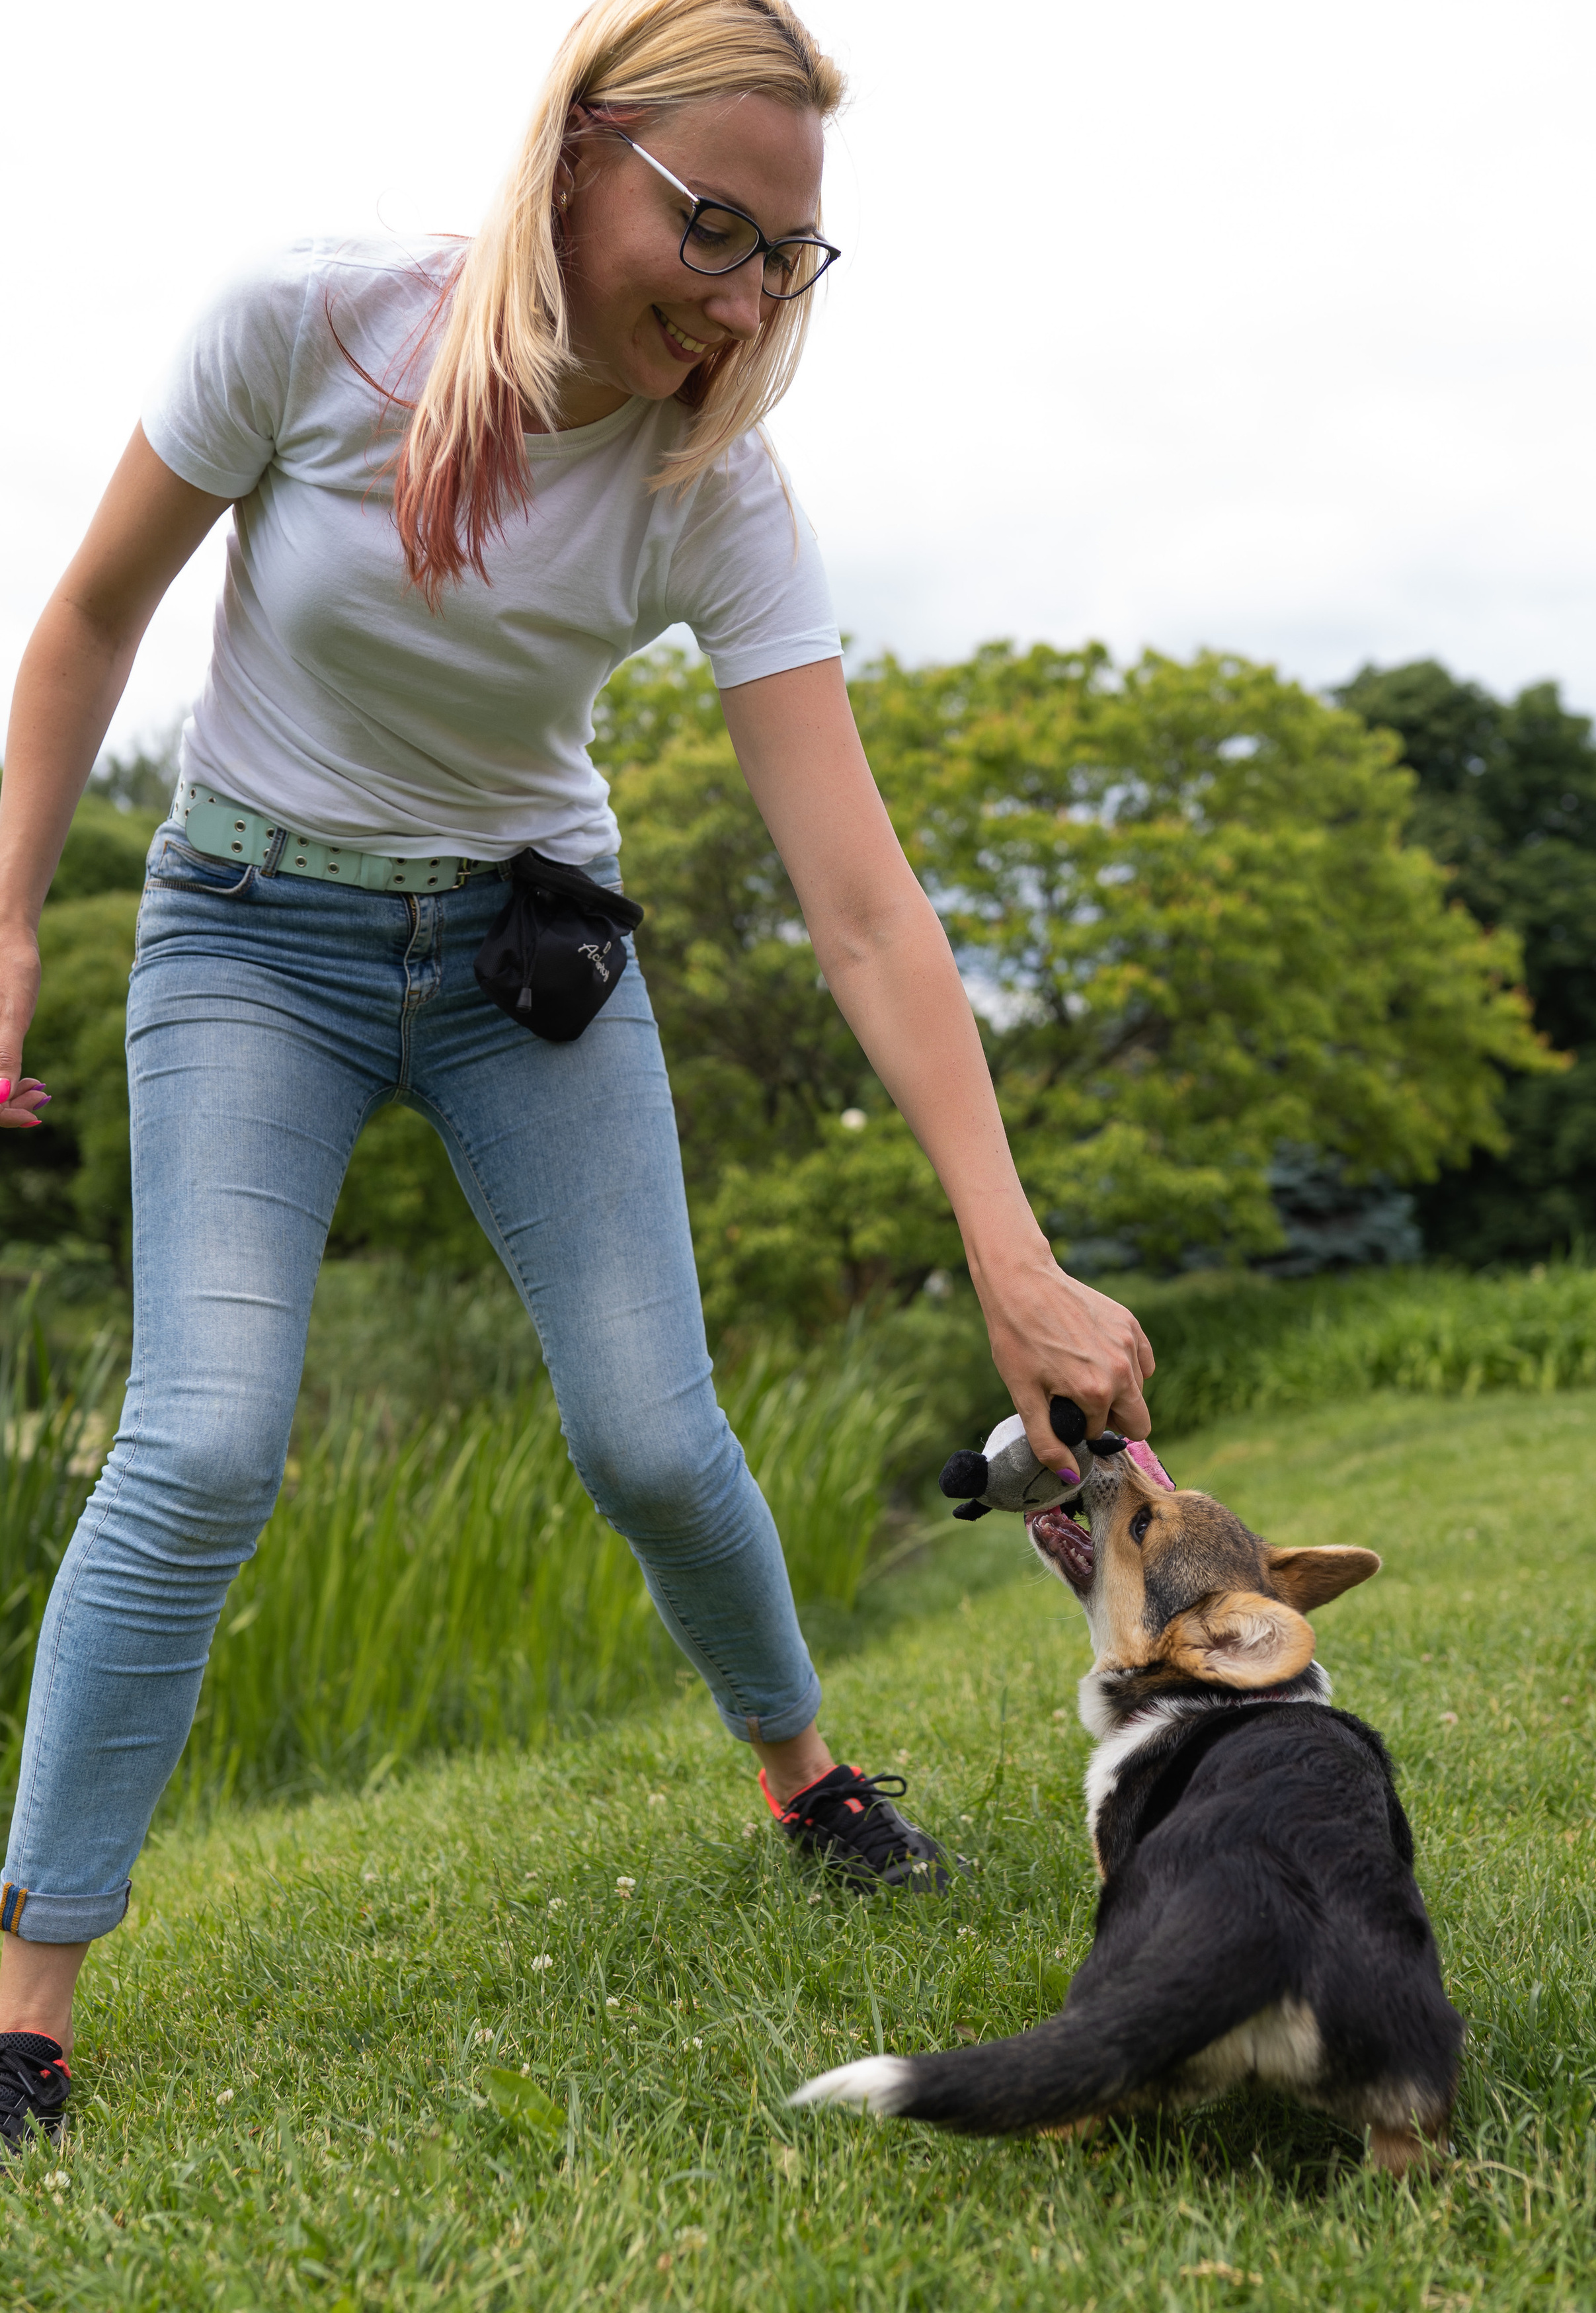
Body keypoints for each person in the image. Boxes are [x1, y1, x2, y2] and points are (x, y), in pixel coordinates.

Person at [0, 0, 1153, 2145]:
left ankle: (805, 1775)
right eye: (710, 228)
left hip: (534, 957)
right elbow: (86, 621)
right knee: (206, 1440)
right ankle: (27, 2006)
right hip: (252, 935)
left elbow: (870, 904)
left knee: (649, 1430)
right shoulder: (304, 328)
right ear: (576, 159)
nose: (733, 302)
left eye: (781, 257)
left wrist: (1010, 1250)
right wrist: (3, 919)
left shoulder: (716, 487)